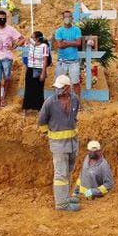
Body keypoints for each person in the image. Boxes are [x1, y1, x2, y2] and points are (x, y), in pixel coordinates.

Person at [37, 75, 81, 212]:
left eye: (60, 88)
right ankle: (61, 204)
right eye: (56, 88)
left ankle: (64, 197)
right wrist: (50, 134)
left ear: (68, 88)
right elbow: (41, 122)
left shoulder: (75, 100)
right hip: (58, 145)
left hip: (72, 143)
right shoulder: (49, 102)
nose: (57, 90)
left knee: (67, 171)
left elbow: (74, 119)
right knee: (61, 174)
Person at [53, 11, 83, 98]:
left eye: (69, 17)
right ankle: (58, 101)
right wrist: (72, 42)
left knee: (75, 82)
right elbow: (59, 45)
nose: (67, 19)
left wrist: (66, 41)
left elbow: (78, 43)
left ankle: (78, 102)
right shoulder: (59, 31)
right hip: (62, 61)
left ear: (72, 18)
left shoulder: (77, 30)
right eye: (66, 17)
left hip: (74, 61)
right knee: (59, 82)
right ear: (63, 19)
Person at [23, 30, 50, 112]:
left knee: (38, 88)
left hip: (39, 69)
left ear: (37, 38)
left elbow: (45, 60)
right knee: (28, 88)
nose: (31, 38)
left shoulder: (44, 46)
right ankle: (27, 107)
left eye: (33, 37)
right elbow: (24, 40)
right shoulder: (31, 44)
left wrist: (43, 72)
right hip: (30, 68)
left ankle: (39, 107)